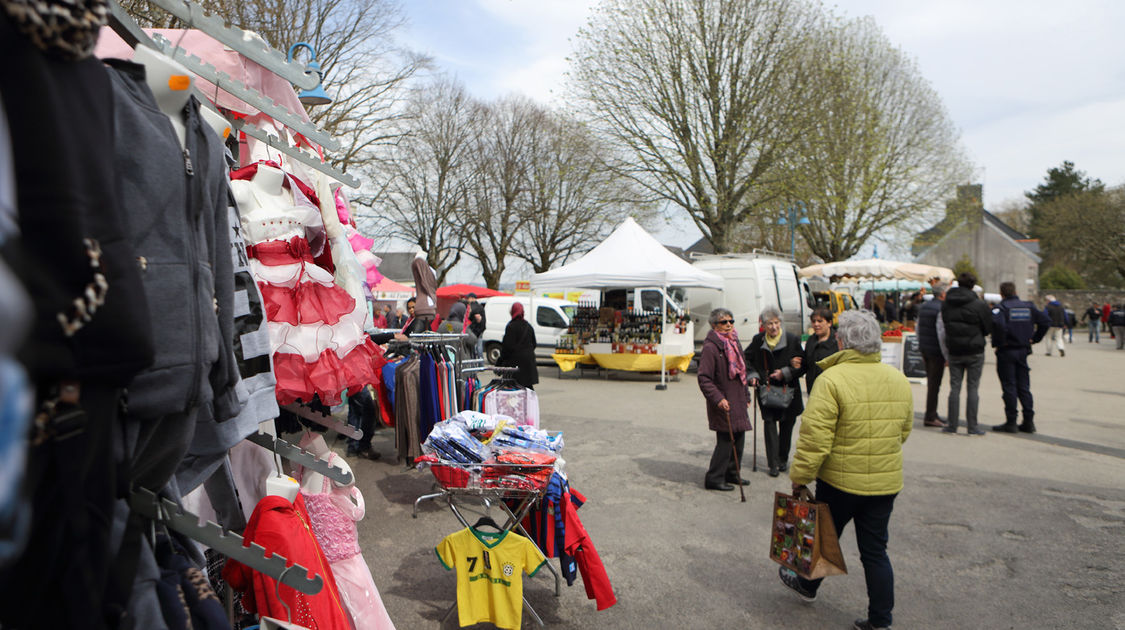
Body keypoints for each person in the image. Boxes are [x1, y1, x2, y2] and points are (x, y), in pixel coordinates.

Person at [778, 310, 912, 630]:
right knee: (875, 551)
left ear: (842, 340)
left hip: (840, 480)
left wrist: (799, 478)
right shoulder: (897, 377)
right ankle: (880, 620)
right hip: (885, 480)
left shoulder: (832, 380)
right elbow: (903, 430)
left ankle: (807, 585)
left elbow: (815, 439)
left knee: (824, 538)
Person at [697, 308, 752, 491]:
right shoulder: (711, 347)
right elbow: (704, 378)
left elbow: (742, 373)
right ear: (714, 325)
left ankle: (732, 473)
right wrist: (718, 398)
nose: (728, 324)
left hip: (737, 399)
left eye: (731, 321)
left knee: (739, 437)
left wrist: (746, 395)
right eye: (723, 322)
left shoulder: (734, 341)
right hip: (723, 401)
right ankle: (714, 477)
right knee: (726, 440)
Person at [745, 307, 803, 477]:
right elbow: (746, 358)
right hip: (767, 390)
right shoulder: (758, 340)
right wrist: (753, 376)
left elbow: (802, 365)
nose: (774, 327)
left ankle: (782, 459)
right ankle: (772, 464)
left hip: (789, 390)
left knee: (787, 426)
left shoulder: (792, 340)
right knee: (769, 425)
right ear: (763, 325)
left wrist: (785, 373)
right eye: (770, 323)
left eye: (776, 323)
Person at [991, 282, 1051, 433]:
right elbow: (1045, 321)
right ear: (1016, 291)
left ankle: (1011, 422)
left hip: (1007, 351)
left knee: (1009, 386)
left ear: (1001, 293)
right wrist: (1034, 338)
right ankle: (1028, 421)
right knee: (1024, 386)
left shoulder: (1001, 308)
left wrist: (1000, 341)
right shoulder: (1028, 306)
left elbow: (997, 325)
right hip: (1023, 350)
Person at [937, 273, 992, 435]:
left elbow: (945, 324)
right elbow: (988, 328)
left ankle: (952, 424)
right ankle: (972, 426)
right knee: (973, 388)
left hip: (954, 349)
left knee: (955, 387)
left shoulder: (947, 303)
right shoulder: (979, 304)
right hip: (974, 349)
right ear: (973, 285)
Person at [915, 282, 948, 428]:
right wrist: (946, 353)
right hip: (936, 350)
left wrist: (920, 347)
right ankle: (930, 415)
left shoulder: (924, 306)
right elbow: (941, 332)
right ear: (942, 294)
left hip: (926, 349)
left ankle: (932, 413)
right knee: (935, 384)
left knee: (932, 383)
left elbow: (918, 329)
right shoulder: (941, 308)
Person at [498, 302, 538, 390]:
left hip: (515, 364)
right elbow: (534, 343)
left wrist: (502, 359)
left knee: (514, 390)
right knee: (528, 389)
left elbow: (507, 347)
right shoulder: (528, 326)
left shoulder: (511, 327)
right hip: (528, 363)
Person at [802, 307, 837, 393]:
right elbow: (805, 365)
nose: (816, 324)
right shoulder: (811, 341)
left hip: (831, 390)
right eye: (814, 321)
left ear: (829, 323)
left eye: (820, 321)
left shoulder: (837, 342)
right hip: (813, 390)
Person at [466, 293, 487, 358]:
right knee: (479, 349)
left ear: (472, 298)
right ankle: (481, 365)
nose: (467, 300)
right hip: (480, 331)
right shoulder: (481, 307)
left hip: (473, 331)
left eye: (468, 298)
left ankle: (474, 364)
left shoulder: (472, 307)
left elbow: (470, 318)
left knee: (473, 349)